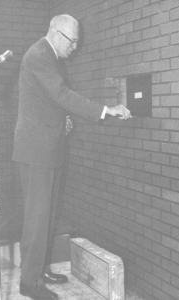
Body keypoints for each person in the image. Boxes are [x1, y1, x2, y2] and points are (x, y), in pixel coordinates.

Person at [12, 14, 131, 300]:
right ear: (55, 32)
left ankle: (38, 269)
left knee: (47, 215)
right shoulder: (39, 55)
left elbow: (48, 101)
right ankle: (30, 283)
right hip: (35, 151)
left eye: (77, 40)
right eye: (72, 40)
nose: (75, 46)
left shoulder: (49, 57)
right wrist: (105, 110)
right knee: (37, 218)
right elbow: (61, 94)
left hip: (46, 148)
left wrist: (61, 116)